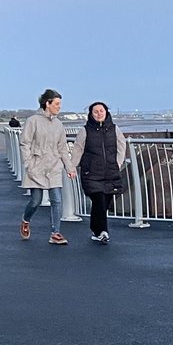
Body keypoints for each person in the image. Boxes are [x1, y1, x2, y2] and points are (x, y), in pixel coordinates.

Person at [20, 89, 73, 245]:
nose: (59, 107)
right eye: (57, 104)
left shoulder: (58, 124)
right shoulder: (32, 121)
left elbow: (63, 147)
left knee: (56, 199)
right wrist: (28, 163)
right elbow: (25, 143)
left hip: (54, 166)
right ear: (47, 103)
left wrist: (70, 168)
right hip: (36, 166)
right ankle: (25, 220)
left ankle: (55, 233)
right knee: (35, 201)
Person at [70, 101, 127, 244]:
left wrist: (118, 162)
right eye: (95, 111)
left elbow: (122, 145)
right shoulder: (85, 131)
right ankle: (103, 232)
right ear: (91, 114)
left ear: (106, 112)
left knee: (104, 203)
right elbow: (78, 149)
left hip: (110, 173)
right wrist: (72, 167)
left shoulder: (114, 129)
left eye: (101, 111)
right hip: (91, 173)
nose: (99, 114)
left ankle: (96, 230)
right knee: (99, 200)